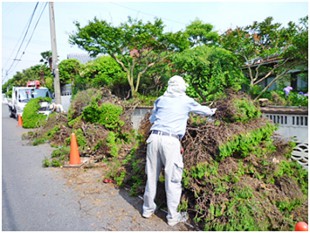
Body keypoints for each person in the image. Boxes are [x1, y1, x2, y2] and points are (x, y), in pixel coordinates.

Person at [142, 75, 216, 226]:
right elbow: (205, 111)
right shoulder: (186, 100)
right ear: (182, 86)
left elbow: (152, 120)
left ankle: (147, 210)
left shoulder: (160, 99)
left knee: (151, 176)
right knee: (173, 179)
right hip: (170, 141)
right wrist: (215, 110)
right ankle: (172, 217)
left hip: (154, 138)